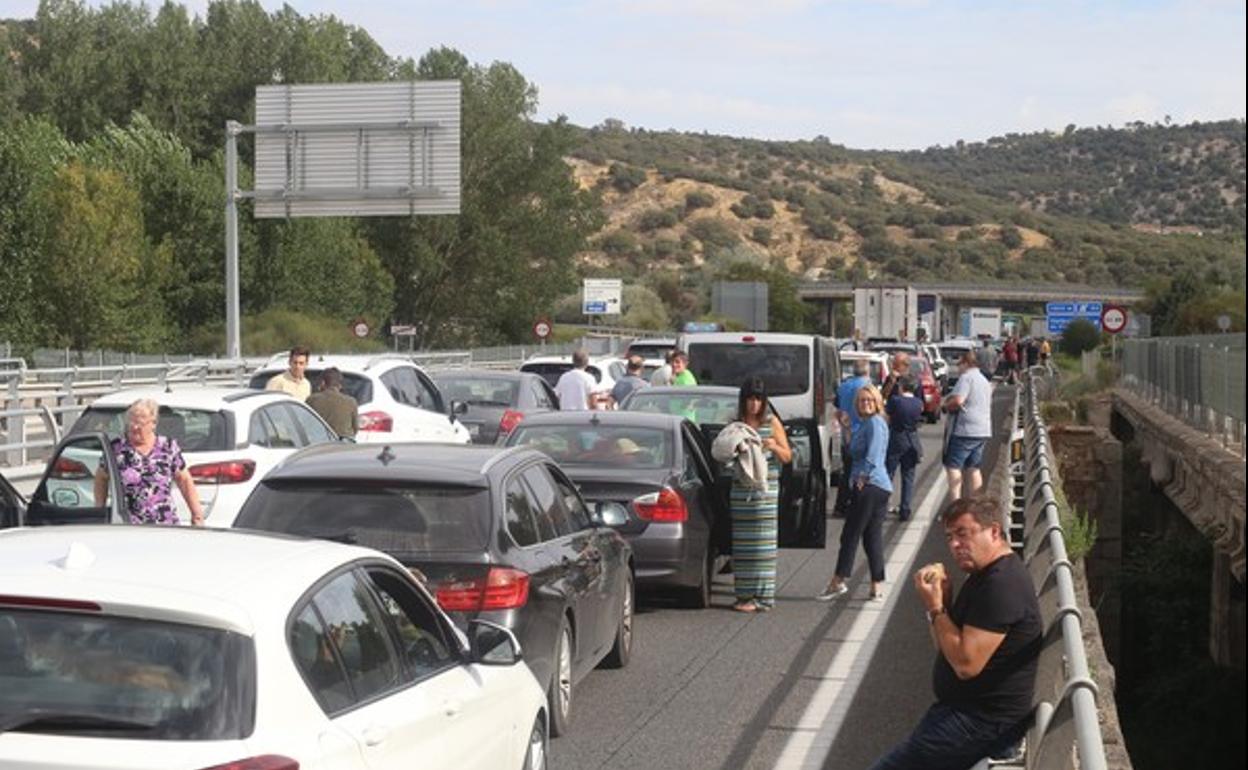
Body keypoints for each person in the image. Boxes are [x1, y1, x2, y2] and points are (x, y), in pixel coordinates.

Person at [869, 496, 1041, 770]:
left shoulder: (1001, 585)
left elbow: (965, 664)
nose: (954, 545)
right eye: (949, 537)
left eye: (963, 534)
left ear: (994, 531)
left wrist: (936, 608)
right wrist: (943, 607)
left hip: (981, 723)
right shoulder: (982, 575)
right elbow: (947, 650)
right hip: (965, 715)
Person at [819, 383, 891, 601]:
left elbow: (873, 455)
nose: (866, 403)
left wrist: (862, 478)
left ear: (877, 402)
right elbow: (853, 451)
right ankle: (876, 585)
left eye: (870, 400)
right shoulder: (865, 424)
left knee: (850, 534)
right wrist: (848, 428)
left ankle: (838, 580)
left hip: (870, 485)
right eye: (862, 400)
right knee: (871, 537)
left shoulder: (875, 424)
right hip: (877, 486)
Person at [728, 376, 791, 613]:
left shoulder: (771, 422)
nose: (753, 404)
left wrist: (772, 445)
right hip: (741, 493)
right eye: (749, 399)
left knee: (763, 547)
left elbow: (788, 456)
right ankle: (744, 595)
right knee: (742, 547)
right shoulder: (736, 424)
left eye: (758, 399)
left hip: (765, 494)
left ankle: (763, 598)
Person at [93, 398, 204, 526]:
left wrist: (197, 516)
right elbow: (101, 477)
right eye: (131, 422)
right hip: (128, 526)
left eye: (140, 423)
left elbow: (184, 481)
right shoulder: (116, 449)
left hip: (165, 524)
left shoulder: (168, 447)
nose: (134, 427)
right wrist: (99, 511)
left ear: (153, 423)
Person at [943, 350, 993, 503]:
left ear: (966, 363)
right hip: (983, 429)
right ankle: (976, 503)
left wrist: (946, 406)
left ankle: (955, 505)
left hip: (965, 430)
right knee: (974, 468)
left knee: (953, 467)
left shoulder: (966, 378)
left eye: (960, 364)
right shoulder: (984, 380)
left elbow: (958, 400)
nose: (958, 368)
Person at [833, 359, 872, 517]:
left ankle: (840, 505)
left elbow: (837, 409)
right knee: (861, 471)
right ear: (867, 371)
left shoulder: (844, 386)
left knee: (847, 470)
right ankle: (856, 505)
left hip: (846, 433)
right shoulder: (867, 387)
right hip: (861, 433)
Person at [885, 375, 923, 521]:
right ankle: (905, 509)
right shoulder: (918, 403)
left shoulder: (896, 401)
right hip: (912, 439)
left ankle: (883, 506)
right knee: (908, 476)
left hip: (896, 437)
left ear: (902, 387)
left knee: (889, 473)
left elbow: (888, 417)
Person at [306, 367, 358, 438]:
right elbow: (355, 429)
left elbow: (305, 425)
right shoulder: (351, 402)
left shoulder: (312, 400)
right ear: (339, 385)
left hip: (320, 443)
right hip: (345, 445)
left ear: (323, 383)